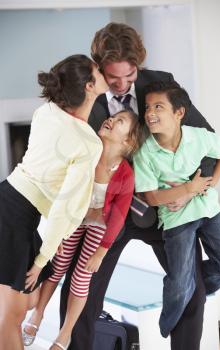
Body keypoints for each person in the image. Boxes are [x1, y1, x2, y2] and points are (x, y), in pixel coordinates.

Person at [60, 23, 217, 350]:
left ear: (139, 66)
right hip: (105, 211)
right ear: (99, 66)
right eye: (112, 77)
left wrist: (192, 186)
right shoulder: (83, 92)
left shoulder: (160, 84)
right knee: (81, 288)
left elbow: (206, 138)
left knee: (190, 289)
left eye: (128, 76)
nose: (120, 85)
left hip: (159, 209)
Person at [0, 54, 108, 350]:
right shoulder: (88, 143)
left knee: (24, 302)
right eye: (97, 69)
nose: (102, 70)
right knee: (11, 317)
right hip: (16, 218)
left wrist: (47, 246)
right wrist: (41, 258)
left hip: (7, 199)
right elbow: (67, 208)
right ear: (89, 86)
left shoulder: (45, 111)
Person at [23, 109, 142, 350]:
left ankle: (65, 334)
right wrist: (63, 226)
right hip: (75, 217)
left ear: (127, 141)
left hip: (101, 226)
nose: (110, 119)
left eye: (119, 121)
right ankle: (38, 313)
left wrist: (102, 251)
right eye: (112, 116)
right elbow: (65, 190)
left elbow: (117, 218)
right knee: (57, 266)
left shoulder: (125, 174)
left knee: (81, 277)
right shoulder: (88, 153)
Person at [133, 80, 220, 338]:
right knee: (179, 285)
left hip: (208, 209)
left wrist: (212, 182)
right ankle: (166, 325)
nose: (150, 113)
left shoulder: (197, 137)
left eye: (158, 107)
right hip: (176, 219)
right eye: (147, 107)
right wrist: (188, 189)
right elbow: (152, 197)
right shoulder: (145, 153)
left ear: (179, 113)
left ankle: (193, 287)